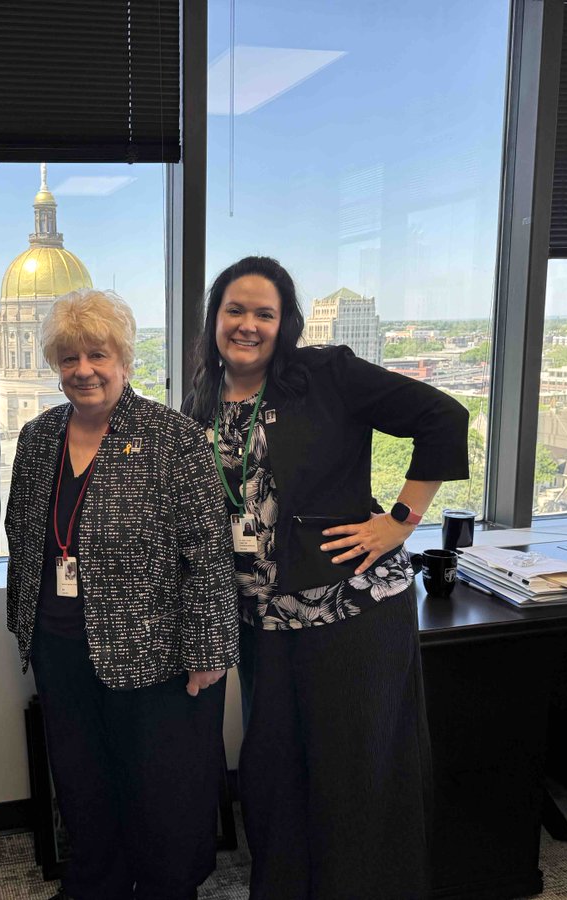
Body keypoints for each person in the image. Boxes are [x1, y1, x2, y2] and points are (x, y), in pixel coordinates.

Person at [184, 256, 469, 899]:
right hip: (263, 626)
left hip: (351, 614)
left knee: (355, 777)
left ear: (286, 324)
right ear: (214, 319)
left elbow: (443, 418)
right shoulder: (199, 397)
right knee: (273, 777)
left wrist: (399, 520)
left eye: (265, 313)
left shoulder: (324, 374)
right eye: (236, 310)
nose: (248, 325)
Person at [5, 289, 239, 900]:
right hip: (60, 649)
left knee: (164, 795)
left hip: (156, 657)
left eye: (98, 355)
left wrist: (209, 650)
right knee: (83, 787)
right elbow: (22, 531)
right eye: (69, 358)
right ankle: (95, 884)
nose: (83, 370)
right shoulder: (37, 438)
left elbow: (208, 552)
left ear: (125, 360)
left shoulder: (172, 438)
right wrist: (22, 623)